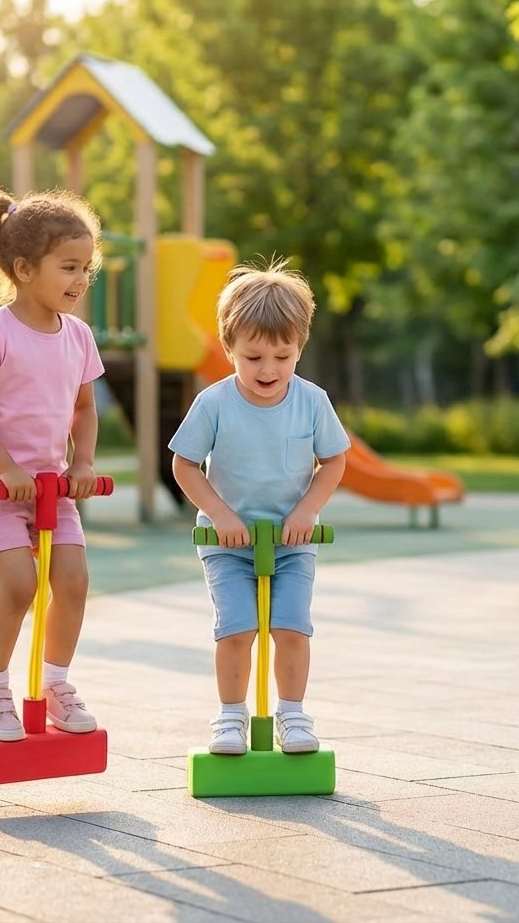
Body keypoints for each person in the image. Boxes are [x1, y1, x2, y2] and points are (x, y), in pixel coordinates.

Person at [0, 184, 105, 742]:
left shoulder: (78, 336)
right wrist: (6, 468)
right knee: (18, 586)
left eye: (86, 267)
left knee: (74, 582)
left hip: (52, 489)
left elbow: (83, 409)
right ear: (24, 269)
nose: (81, 281)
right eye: (69, 267)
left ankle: (55, 683)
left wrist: (83, 465)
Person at [169, 260, 349, 755]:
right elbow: (184, 466)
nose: (267, 369)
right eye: (252, 357)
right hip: (228, 545)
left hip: (293, 543)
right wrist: (222, 515)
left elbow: (334, 460)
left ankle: (293, 715)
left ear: (299, 348)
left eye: (281, 355)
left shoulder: (312, 402)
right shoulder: (214, 402)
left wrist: (308, 509)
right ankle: (230, 718)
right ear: (228, 349)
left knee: (292, 628)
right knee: (237, 629)